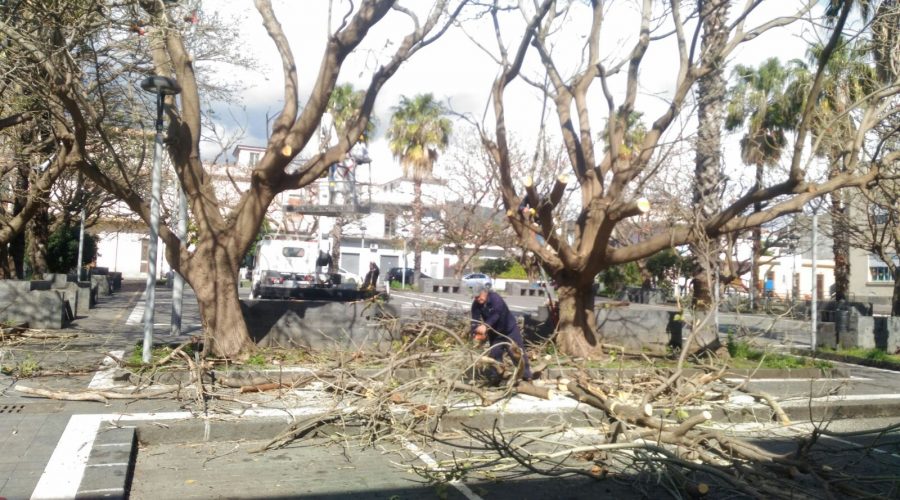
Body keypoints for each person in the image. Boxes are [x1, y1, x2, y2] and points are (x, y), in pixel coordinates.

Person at [470, 285, 532, 381]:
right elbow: (474, 320)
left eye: (479, 296)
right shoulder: (476, 305)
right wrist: (475, 333)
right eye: (475, 297)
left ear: (485, 292)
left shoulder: (495, 298)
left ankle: (526, 376)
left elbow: (496, 314)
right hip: (495, 334)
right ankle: (496, 378)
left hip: (509, 330)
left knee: (517, 353)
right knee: (495, 355)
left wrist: (485, 325)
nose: (477, 299)